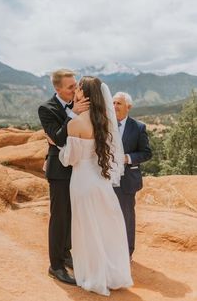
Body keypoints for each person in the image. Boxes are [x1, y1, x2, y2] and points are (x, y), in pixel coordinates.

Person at [59, 76, 133, 296]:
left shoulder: (75, 123)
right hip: (101, 182)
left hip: (81, 182)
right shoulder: (104, 120)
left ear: (84, 94)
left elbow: (69, 159)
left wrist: (57, 146)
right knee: (105, 228)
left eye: (78, 88)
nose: (76, 91)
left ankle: (93, 276)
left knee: (86, 230)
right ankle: (112, 275)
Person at [38, 69, 89, 285]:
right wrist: (72, 114)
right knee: (59, 217)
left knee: (72, 214)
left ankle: (66, 253)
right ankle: (55, 266)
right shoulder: (46, 109)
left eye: (75, 85)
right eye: (70, 87)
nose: (75, 90)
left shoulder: (80, 103)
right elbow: (59, 140)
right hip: (59, 172)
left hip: (78, 168)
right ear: (57, 89)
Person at [112, 92, 152, 259]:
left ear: (128, 107)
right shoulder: (105, 125)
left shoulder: (138, 127)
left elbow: (146, 153)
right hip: (106, 179)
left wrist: (128, 158)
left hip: (127, 181)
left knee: (126, 216)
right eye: (113, 102)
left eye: (119, 103)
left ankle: (127, 253)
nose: (114, 106)